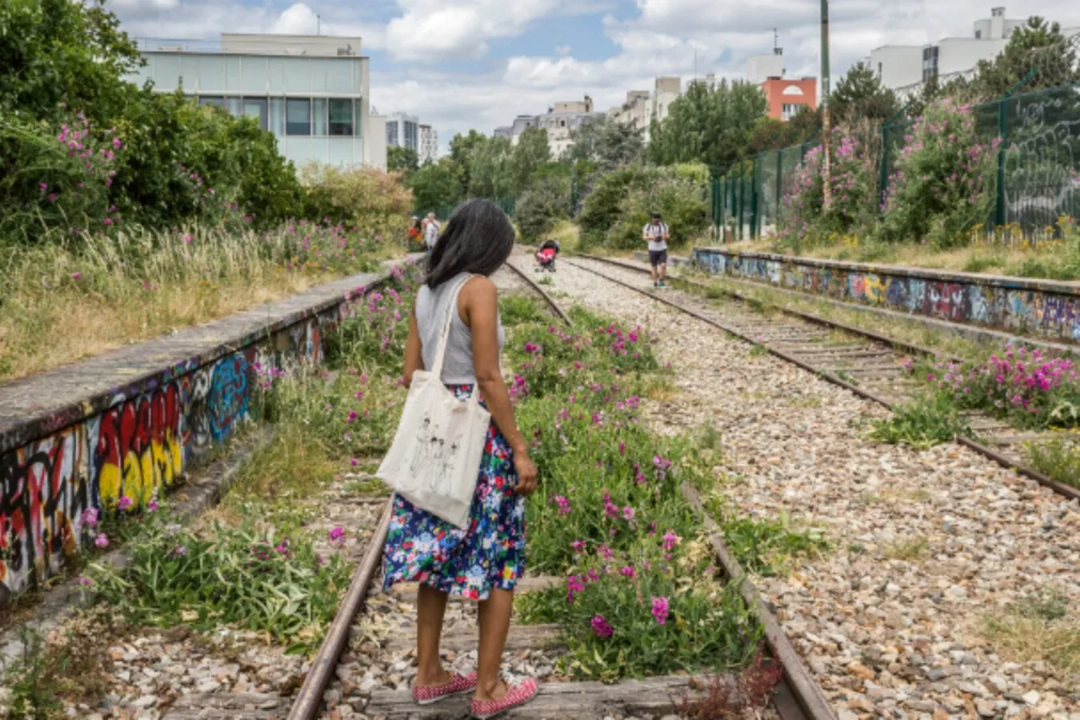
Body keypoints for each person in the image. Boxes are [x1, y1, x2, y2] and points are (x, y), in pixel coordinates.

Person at [382, 199, 540, 718]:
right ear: (489, 245)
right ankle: (488, 689)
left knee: (436, 554)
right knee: (497, 560)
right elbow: (489, 377)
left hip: (434, 440)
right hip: (478, 441)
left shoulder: (427, 291)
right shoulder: (479, 288)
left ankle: (429, 674)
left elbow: (410, 373)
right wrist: (518, 448)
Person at [643, 212, 670, 288]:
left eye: (658, 220)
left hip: (662, 248)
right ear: (652, 219)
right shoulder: (648, 226)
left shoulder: (664, 226)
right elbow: (644, 237)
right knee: (654, 267)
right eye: (655, 220)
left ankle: (661, 281)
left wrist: (663, 237)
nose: (657, 222)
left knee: (663, 265)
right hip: (652, 249)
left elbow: (668, 235)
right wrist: (652, 238)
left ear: (660, 219)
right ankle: (655, 282)